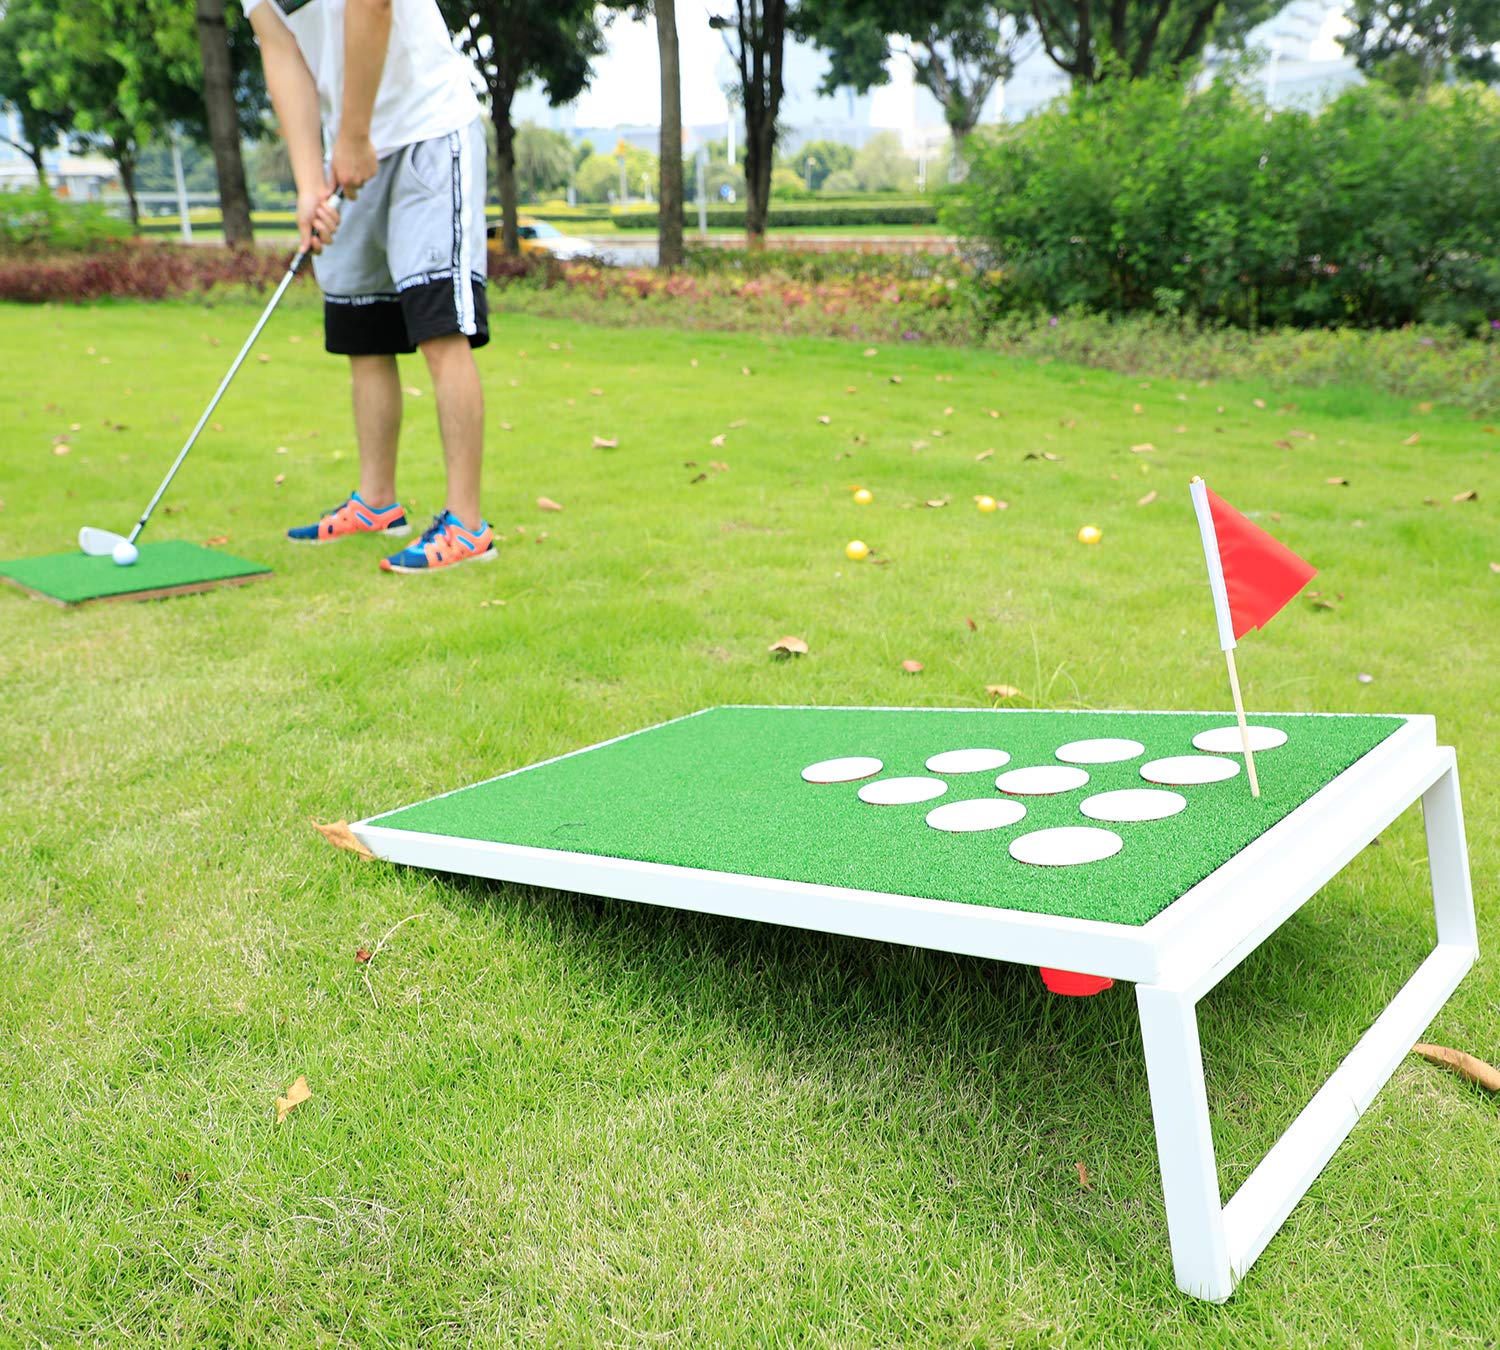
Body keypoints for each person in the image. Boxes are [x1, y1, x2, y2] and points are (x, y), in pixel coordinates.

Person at [241, 0, 495, 573]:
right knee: (363, 331)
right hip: (348, 155)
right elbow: (281, 53)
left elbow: (372, 4)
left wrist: (354, 135)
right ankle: (377, 504)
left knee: (440, 329)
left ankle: (468, 525)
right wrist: (309, 183)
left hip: (427, 128)